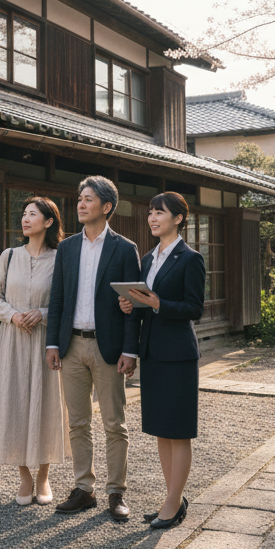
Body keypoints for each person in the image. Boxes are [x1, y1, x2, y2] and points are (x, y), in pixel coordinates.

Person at [45, 175, 142, 522]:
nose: (81, 204)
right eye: (80, 198)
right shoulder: (68, 247)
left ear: (107, 207)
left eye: (88, 199)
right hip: (71, 345)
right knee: (78, 423)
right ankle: (84, 488)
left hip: (109, 348)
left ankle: (117, 492)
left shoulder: (124, 248)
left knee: (115, 424)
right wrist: (53, 342)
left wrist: (130, 350)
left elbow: (133, 303)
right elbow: (57, 297)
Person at [118, 191, 205, 530]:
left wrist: (157, 303)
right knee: (161, 431)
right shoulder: (147, 258)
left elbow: (194, 308)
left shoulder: (190, 258)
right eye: (151, 212)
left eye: (160, 213)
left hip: (179, 354)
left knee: (178, 431)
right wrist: (132, 304)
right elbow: (145, 304)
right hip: (153, 353)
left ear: (178, 219)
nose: (153, 218)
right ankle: (173, 497)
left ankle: (172, 503)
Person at [0, 197, 68, 506]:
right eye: (23, 214)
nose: (25, 218)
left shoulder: (60, 259)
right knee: (15, 404)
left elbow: (65, 302)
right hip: (12, 341)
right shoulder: (9, 256)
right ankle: (24, 477)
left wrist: (42, 313)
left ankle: (44, 476)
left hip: (46, 343)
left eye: (32, 214)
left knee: (47, 405)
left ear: (48, 222)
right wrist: (13, 314)